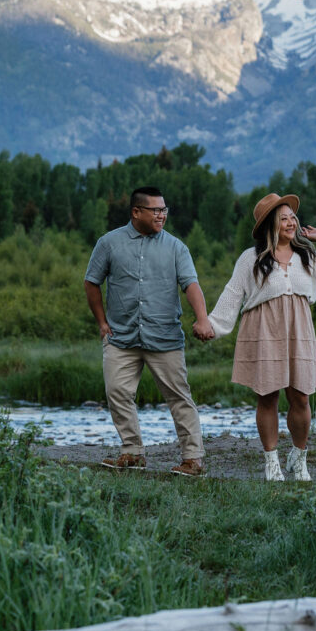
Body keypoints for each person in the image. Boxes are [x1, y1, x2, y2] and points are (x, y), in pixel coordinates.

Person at [196, 193, 316, 482]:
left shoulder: (306, 256)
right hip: (262, 330)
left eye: (293, 217)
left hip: (299, 331)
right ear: (270, 225)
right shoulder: (251, 259)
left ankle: (299, 459)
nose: (291, 222)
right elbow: (232, 294)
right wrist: (211, 324)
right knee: (267, 396)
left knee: (301, 397)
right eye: (284, 218)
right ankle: (271, 463)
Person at [84, 186, 212, 477]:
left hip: (164, 337)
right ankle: (132, 452)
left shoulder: (176, 247)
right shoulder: (109, 243)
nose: (161, 215)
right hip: (120, 337)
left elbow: (191, 285)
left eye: (164, 209)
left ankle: (193, 459)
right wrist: (102, 324)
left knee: (179, 397)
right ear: (136, 212)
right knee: (117, 391)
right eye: (155, 210)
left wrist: (202, 318)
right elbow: (91, 282)